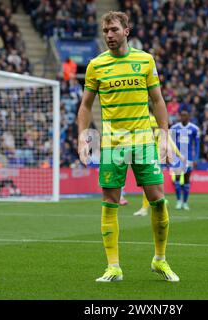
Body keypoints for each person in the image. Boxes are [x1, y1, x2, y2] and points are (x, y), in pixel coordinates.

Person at [77, 11, 179, 282]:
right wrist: (83, 136)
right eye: (105, 31)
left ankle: (160, 260)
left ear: (126, 31)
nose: (109, 35)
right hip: (112, 144)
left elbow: (157, 101)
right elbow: (85, 105)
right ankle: (113, 267)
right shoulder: (96, 65)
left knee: (158, 199)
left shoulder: (145, 60)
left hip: (144, 141)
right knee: (110, 202)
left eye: (113, 30)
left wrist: (165, 136)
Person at [133, 114, 184, 217]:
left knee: (147, 183)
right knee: (149, 183)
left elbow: (168, 140)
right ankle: (158, 202)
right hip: (151, 156)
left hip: (151, 156)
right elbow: (169, 141)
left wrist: (178, 155)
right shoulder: (156, 120)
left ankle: (149, 206)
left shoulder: (146, 119)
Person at [169, 108, 200, 210]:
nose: (183, 117)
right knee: (177, 180)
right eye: (181, 115)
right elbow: (171, 142)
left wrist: (196, 158)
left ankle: (185, 202)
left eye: (185, 115)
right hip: (177, 158)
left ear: (188, 117)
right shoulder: (175, 128)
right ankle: (178, 201)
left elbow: (197, 144)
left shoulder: (194, 129)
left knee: (186, 180)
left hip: (188, 159)